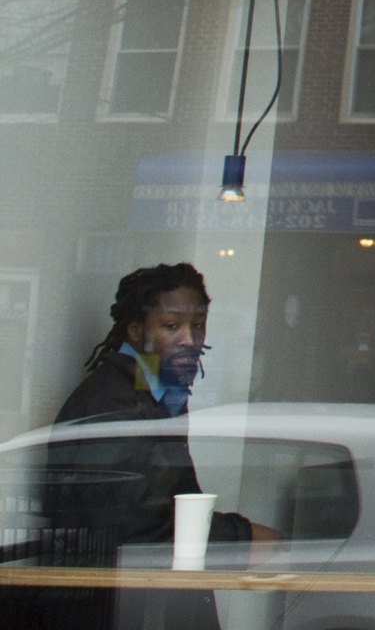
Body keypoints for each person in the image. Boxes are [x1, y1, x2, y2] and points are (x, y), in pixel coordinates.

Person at [31, 264, 273, 630]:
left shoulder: (154, 393)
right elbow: (131, 528)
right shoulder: (116, 405)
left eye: (198, 325)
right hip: (109, 607)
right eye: (171, 326)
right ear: (136, 331)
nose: (189, 339)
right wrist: (243, 539)